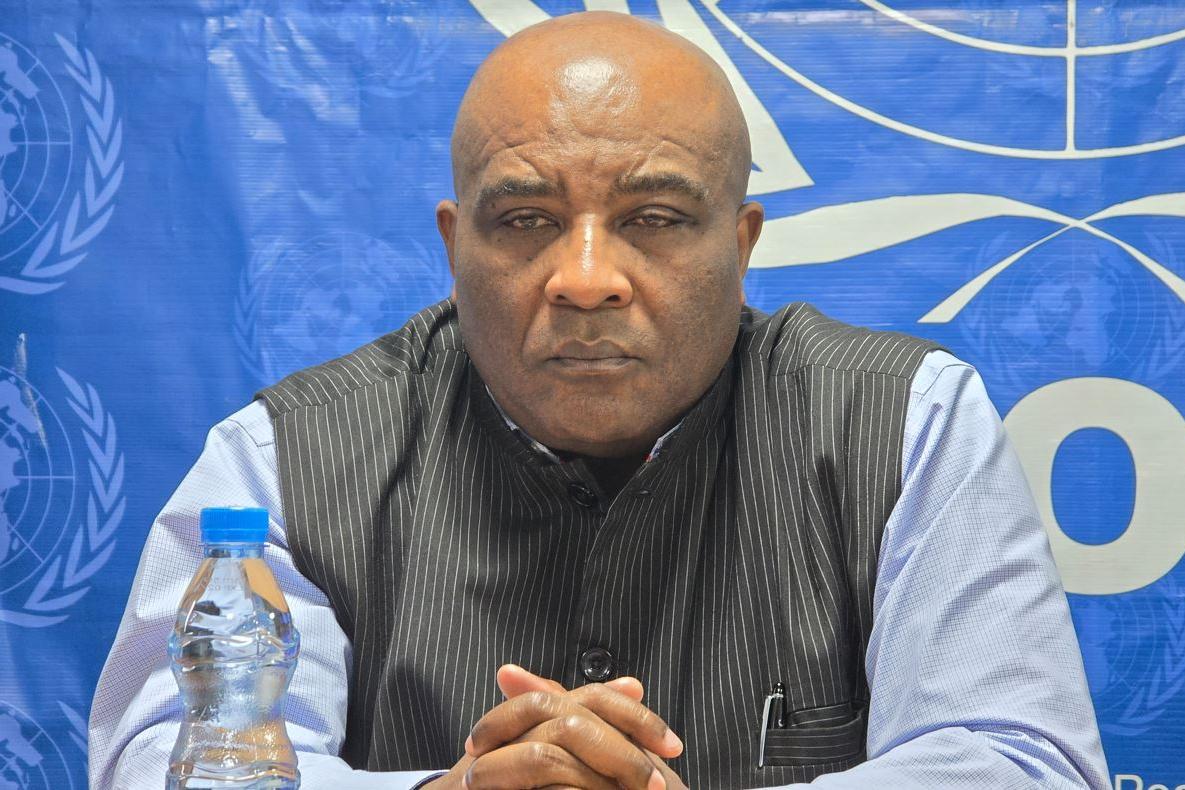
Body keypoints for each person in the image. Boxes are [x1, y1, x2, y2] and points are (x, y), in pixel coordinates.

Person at [89, 11, 1110, 790]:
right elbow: (170, 764)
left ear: (741, 246)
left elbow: (1021, 760)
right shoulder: (283, 458)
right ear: (454, 247)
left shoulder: (903, 423)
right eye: (526, 220)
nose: (585, 279)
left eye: (654, 218)